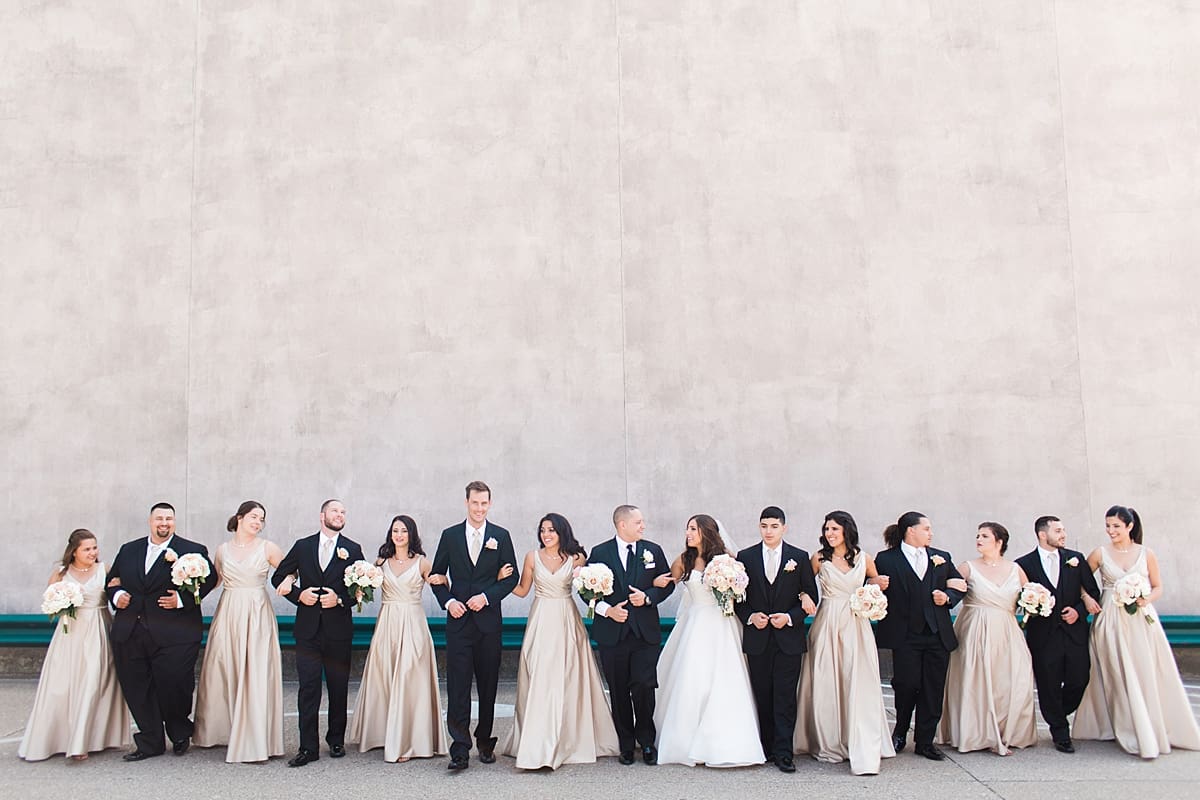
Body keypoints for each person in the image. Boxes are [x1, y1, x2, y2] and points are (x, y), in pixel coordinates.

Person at [1073, 505, 1200, 758]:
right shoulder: (1099, 553)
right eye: (1108, 526)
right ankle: (1123, 726)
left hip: (1141, 619)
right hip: (1109, 618)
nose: (1111, 531)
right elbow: (1080, 582)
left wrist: (1146, 598)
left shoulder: (1146, 553)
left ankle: (1150, 725)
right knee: (1115, 671)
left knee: (1144, 670)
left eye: (1116, 526)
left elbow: (1158, 586)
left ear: (1130, 526)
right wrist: (1087, 599)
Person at [495, 513, 620, 769]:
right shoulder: (532, 557)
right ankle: (537, 742)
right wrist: (501, 580)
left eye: (551, 530)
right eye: (543, 530)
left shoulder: (577, 558)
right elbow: (521, 591)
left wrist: (595, 585)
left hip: (566, 618)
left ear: (562, 532)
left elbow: (586, 591)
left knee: (568, 676)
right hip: (541, 618)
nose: (546, 535)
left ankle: (568, 739)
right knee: (541, 675)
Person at [106, 502, 216, 761]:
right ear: (150, 521)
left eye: (169, 518)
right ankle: (150, 741)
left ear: (174, 522)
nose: (164, 523)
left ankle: (179, 732)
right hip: (131, 630)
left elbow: (209, 580)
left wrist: (182, 601)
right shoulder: (129, 549)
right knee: (137, 688)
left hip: (175, 632)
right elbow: (112, 581)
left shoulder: (192, 550)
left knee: (175, 684)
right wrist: (117, 595)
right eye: (159, 518)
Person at [652, 514, 763, 767]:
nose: (688, 533)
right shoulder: (683, 560)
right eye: (687, 528)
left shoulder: (727, 560)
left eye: (693, 528)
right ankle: (683, 743)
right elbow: (667, 584)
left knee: (724, 678)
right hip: (695, 624)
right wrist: (657, 582)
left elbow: (742, 590)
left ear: (706, 531)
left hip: (722, 624)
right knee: (692, 678)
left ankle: (724, 743)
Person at [794, 510, 895, 775]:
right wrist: (805, 595)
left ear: (846, 531)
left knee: (856, 678)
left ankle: (858, 737)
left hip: (856, 622)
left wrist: (875, 585)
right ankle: (827, 739)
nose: (829, 534)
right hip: (828, 620)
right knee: (828, 677)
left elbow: (874, 580)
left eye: (835, 529)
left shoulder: (864, 558)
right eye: (827, 529)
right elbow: (802, 584)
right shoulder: (818, 558)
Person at [429, 481, 519, 770]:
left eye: (484, 503)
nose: (479, 508)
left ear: (489, 504)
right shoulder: (450, 535)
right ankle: (459, 747)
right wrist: (448, 602)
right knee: (457, 686)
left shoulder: (501, 536)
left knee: (488, 685)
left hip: (489, 624)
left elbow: (511, 578)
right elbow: (436, 574)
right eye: (475, 503)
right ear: (466, 503)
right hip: (458, 623)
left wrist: (486, 596)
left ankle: (484, 741)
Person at [19, 529, 131, 761]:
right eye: (87, 549)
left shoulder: (105, 570)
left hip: (98, 630)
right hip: (69, 634)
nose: (93, 553)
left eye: (95, 548)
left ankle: (83, 742)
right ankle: (57, 737)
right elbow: (49, 603)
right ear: (74, 552)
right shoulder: (61, 574)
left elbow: (116, 593)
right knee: (63, 685)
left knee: (93, 682)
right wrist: (61, 603)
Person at [272, 499, 365, 767]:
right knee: (308, 688)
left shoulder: (353, 548)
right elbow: (278, 577)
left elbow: (362, 587)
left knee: (338, 687)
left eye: (344, 511)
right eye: (335, 510)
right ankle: (307, 747)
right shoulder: (303, 546)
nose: (340, 514)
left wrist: (339, 599)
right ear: (322, 515)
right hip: (308, 630)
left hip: (338, 630)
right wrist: (300, 595)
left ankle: (335, 740)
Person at [349, 515, 448, 762]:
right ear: (390, 534)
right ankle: (381, 734)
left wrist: (442, 579)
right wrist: (359, 588)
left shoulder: (423, 562)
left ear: (411, 534)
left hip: (413, 622)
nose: (399, 535)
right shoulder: (380, 562)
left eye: (404, 530)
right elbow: (366, 589)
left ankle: (408, 740)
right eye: (395, 530)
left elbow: (438, 582)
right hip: (387, 622)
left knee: (410, 677)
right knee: (384, 675)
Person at [192, 501, 285, 763]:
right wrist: (188, 596)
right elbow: (216, 581)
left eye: (262, 519)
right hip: (229, 609)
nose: (258, 522)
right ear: (240, 518)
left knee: (255, 669)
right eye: (254, 517)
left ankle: (255, 735)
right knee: (224, 666)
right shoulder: (222, 550)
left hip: (256, 611)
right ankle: (223, 729)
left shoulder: (268, 548)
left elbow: (289, 571)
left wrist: (289, 581)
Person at [873, 511, 965, 761]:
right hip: (904, 635)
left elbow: (958, 584)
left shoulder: (941, 557)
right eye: (926, 528)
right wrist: (875, 584)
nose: (930, 533)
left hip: (937, 634)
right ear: (910, 531)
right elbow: (869, 586)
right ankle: (900, 730)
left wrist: (947, 598)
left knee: (933, 689)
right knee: (906, 685)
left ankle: (925, 741)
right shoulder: (885, 559)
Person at [939, 522, 1037, 755]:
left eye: (984, 536)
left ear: (999, 542)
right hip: (974, 629)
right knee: (976, 679)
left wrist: (1036, 602)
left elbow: (1030, 594)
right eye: (977, 535)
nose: (979, 539)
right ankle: (976, 732)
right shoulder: (967, 567)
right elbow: (952, 590)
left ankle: (1006, 731)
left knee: (1010, 680)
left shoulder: (1015, 569)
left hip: (1007, 630)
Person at [587, 505, 675, 766]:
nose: (643, 526)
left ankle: (647, 741)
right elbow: (587, 591)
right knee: (618, 690)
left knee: (644, 686)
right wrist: (607, 610)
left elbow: (666, 584)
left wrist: (648, 597)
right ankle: (626, 744)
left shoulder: (653, 550)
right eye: (638, 522)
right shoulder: (599, 553)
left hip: (644, 634)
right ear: (622, 525)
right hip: (612, 633)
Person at [733, 505, 817, 773]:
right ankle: (765, 747)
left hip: (788, 639)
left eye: (774, 526)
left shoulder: (799, 557)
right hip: (758, 638)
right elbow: (736, 599)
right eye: (764, 526)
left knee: (784, 696)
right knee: (762, 693)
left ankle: (784, 752)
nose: (768, 531)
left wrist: (790, 617)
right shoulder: (745, 557)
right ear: (759, 527)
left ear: (784, 528)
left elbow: (809, 596)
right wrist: (750, 616)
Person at [1014, 515, 1101, 753]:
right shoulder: (1023, 564)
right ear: (1043, 534)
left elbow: (1093, 592)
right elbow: (1019, 597)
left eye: (1063, 530)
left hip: (1074, 632)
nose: (1063, 534)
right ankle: (1060, 732)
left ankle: (1058, 712)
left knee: (1079, 678)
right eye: (1058, 531)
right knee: (1048, 683)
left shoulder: (1076, 559)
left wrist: (1079, 611)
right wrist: (1033, 605)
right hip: (1043, 635)